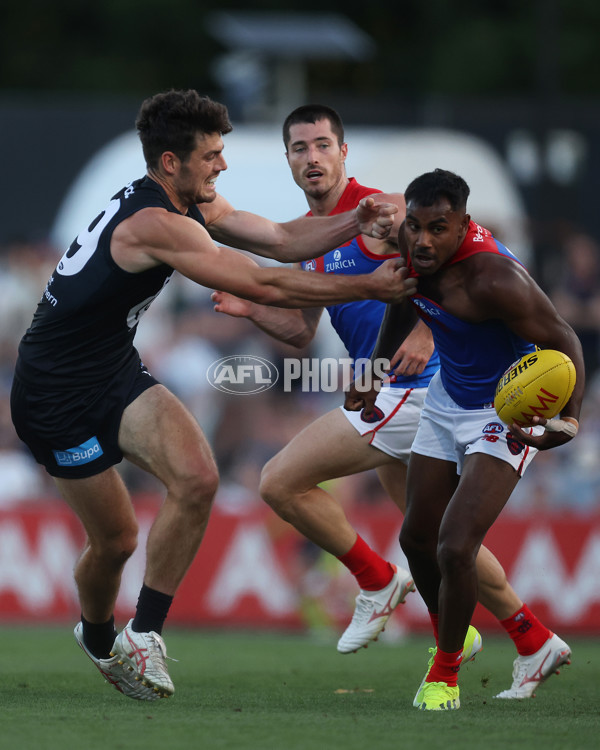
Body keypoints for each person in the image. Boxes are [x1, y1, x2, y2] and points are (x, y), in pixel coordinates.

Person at [9, 90, 414, 702]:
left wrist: (352, 223)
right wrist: (368, 283)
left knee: (198, 478)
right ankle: (98, 639)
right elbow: (261, 277)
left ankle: (144, 635)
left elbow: (278, 239)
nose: (221, 166)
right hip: (52, 393)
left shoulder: (184, 200)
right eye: (212, 156)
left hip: (112, 369)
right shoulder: (156, 224)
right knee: (116, 540)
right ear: (172, 163)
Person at [213, 105, 569, 701]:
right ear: (289, 161)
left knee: (279, 480)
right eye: (300, 148)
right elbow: (303, 331)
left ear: (343, 152)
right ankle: (532, 640)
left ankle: (376, 581)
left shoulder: (383, 211)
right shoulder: (313, 238)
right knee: (434, 540)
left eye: (323, 144)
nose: (312, 157)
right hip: (389, 384)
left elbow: (481, 255)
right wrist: (253, 310)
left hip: (421, 385)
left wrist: (429, 329)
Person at [344, 168, 584, 710]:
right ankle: (528, 643)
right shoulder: (410, 250)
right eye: (416, 225)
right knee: (416, 539)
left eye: (438, 228)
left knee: (455, 545)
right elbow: (402, 302)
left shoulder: (495, 279)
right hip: (447, 399)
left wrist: (568, 421)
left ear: (463, 226)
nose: (423, 240)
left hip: (504, 412)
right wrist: (374, 370)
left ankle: (445, 673)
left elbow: (565, 338)